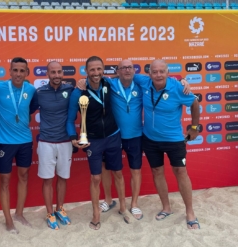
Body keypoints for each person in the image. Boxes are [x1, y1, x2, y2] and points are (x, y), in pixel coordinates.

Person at [77, 60, 191, 221]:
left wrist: (182, 80)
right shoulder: (109, 83)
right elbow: (93, 78)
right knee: (106, 168)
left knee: (135, 169)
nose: (126, 70)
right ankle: (109, 199)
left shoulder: (141, 83)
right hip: (113, 135)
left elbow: (163, 77)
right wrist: (83, 80)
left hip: (136, 135)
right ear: (117, 71)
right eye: (123, 68)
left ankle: (135, 203)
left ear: (134, 70)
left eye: (130, 67)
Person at [135, 59, 200, 229]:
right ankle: (166, 208)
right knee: (157, 171)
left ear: (167, 73)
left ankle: (190, 212)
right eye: (154, 72)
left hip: (173, 140)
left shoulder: (178, 87)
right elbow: (125, 75)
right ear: (149, 74)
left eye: (161, 71)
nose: (158, 75)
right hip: (150, 139)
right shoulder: (143, 81)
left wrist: (194, 127)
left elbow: (194, 103)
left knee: (181, 172)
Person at [67, 56, 129, 230]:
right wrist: (73, 137)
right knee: (95, 178)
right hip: (92, 140)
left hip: (113, 136)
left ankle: (123, 207)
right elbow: (70, 118)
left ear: (103, 70)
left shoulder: (109, 84)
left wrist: (181, 81)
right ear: (86, 71)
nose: (96, 73)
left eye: (99, 69)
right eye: (92, 70)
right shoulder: (78, 92)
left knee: (117, 172)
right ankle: (96, 213)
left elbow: (130, 77)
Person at [0, 57, 36, 234]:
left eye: (22, 70)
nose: (18, 74)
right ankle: (8, 220)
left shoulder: (30, 89)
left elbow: (31, 108)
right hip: (5, 142)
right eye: (15, 70)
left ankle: (19, 214)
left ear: (27, 73)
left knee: (24, 176)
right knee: (5, 181)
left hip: (25, 140)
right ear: (10, 71)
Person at [30, 61, 75, 230]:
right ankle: (49, 212)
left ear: (62, 73)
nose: (56, 75)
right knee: (48, 179)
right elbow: (27, 110)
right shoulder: (39, 93)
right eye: (53, 72)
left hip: (65, 142)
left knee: (63, 177)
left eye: (59, 72)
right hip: (46, 142)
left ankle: (60, 208)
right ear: (47, 74)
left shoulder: (70, 90)